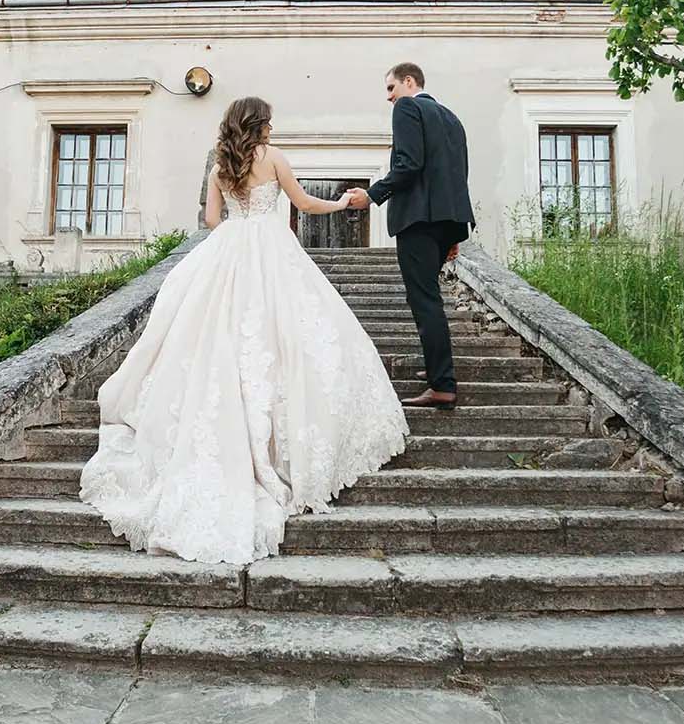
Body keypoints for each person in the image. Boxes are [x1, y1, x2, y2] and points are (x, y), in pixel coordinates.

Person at [79, 96, 409, 564]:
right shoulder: (271, 157)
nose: (273, 127)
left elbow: (213, 221)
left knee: (220, 332)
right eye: (269, 121)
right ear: (258, 124)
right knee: (288, 333)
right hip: (271, 247)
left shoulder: (221, 164)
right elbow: (303, 203)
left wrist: (238, 221)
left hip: (230, 247)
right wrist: (340, 201)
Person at [345, 63, 475, 409]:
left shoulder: (408, 107)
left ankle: (442, 385)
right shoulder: (451, 118)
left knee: (424, 300)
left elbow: (408, 164)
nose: (389, 97)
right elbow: (456, 172)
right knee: (427, 297)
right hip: (448, 219)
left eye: (391, 88)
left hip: (419, 219)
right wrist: (454, 232)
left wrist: (372, 195)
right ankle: (437, 369)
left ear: (409, 81)